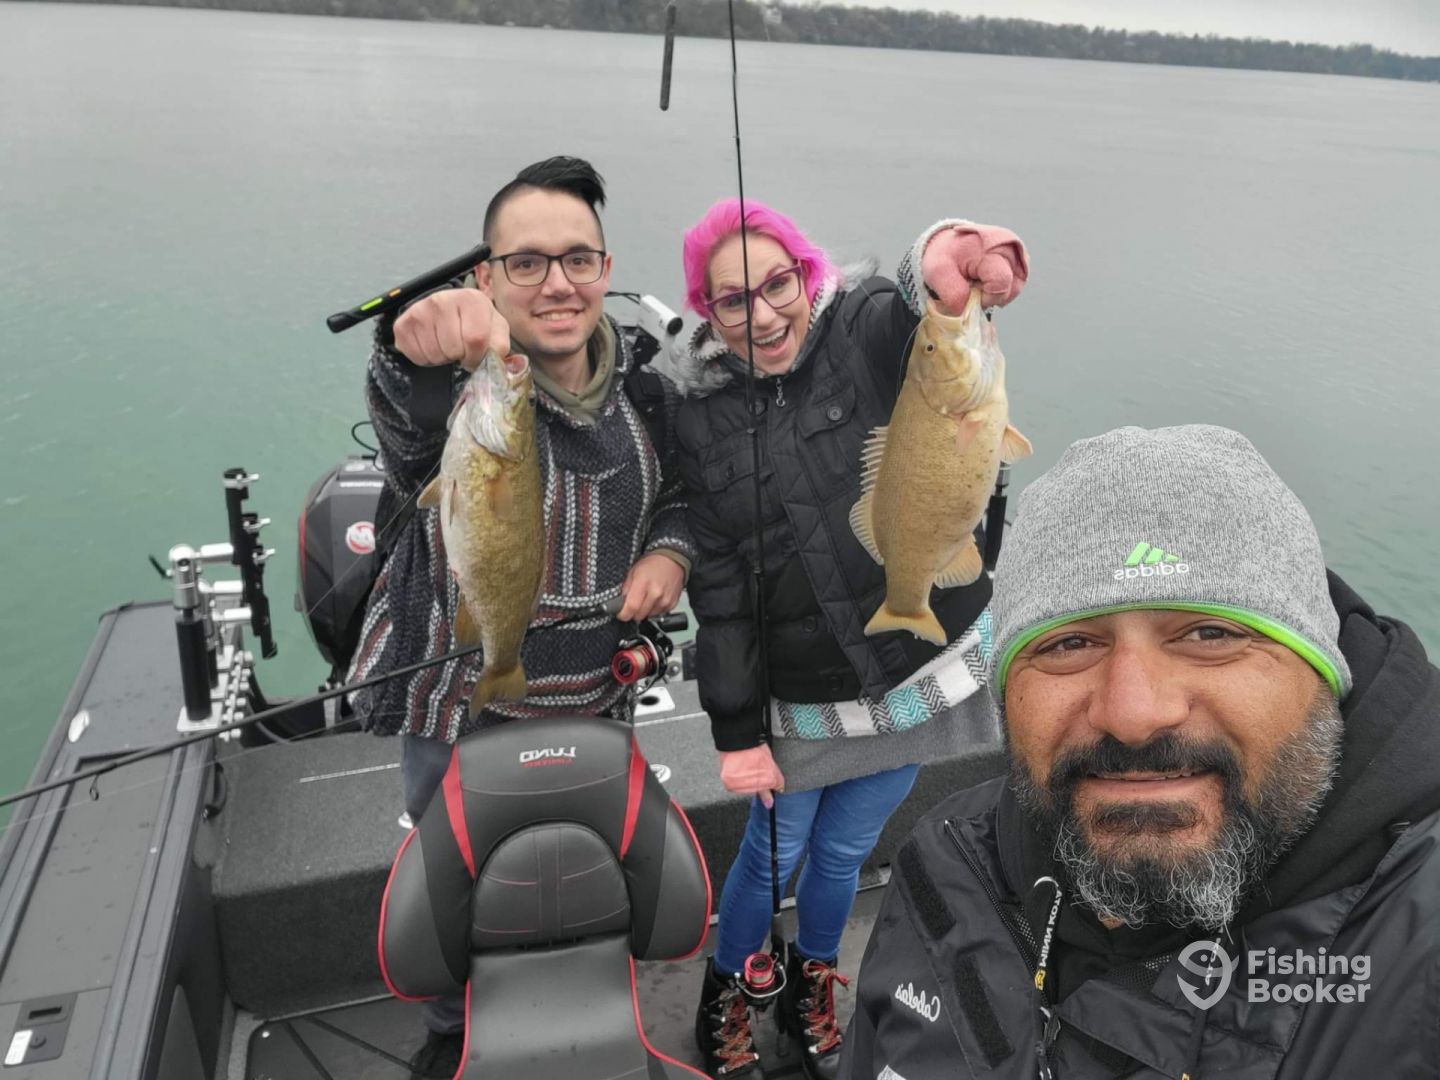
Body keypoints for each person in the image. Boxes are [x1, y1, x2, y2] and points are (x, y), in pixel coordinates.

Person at [841, 424, 1440, 1079]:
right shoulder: (945, 862)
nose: (1132, 714)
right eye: (1069, 644)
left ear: (1325, 672)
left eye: (1210, 634)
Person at [662, 199, 1029, 1079]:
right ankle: (728, 991)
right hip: (797, 699)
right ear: (705, 311)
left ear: (807, 273)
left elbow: (907, 301)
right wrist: (737, 734)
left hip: (910, 679)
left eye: (778, 283)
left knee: (844, 856)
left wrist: (945, 258)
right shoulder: (693, 414)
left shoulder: (860, 331)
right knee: (770, 856)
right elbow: (719, 592)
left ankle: (812, 983)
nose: (764, 314)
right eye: (733, 299)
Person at [346, 156, 695, 1078]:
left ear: (606, 269)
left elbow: (683, 497)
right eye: (526, 262)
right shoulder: (465, 390)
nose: (556, 284)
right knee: (450, 879)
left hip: (594, 695)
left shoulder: (650, 388)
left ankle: (584, 1005)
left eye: (577, 259)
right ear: (486, 277)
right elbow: (406, 412)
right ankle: (450, 1032)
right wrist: (406, 344)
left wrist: (669, 554)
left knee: (583, 869)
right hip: (455, 699)